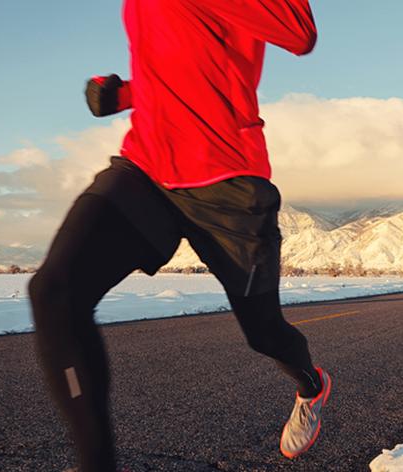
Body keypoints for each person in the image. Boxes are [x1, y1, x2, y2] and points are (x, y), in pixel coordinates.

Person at [28, 1, 329, 470]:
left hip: (228, 180)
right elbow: (183, 55)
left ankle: (311, 385)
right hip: (147, 168)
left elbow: (297, 30)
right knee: (53, 292)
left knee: (264, 333)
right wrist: (124, 95)